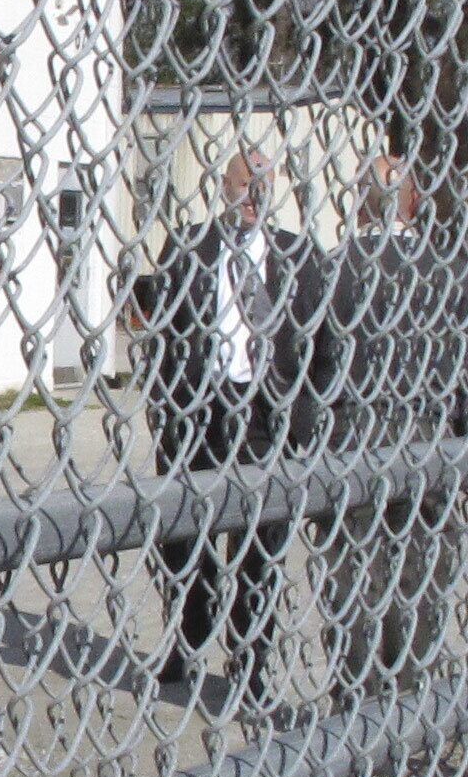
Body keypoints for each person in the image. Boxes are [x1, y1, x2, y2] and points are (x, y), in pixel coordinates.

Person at [129, 149, 327, 710]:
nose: (255, 198)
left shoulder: (297, 255)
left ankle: (251, 659)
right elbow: (163, 329)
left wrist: (302, 417)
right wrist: (166, 401)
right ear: (223, 187)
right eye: (246, 186)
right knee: (185, 538)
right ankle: (188, 637)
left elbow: (318, 344)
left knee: (259, 547)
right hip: (200, 409)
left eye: (265, 186)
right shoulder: (191, 247)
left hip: (263, 412)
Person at [311, 152, 468, 697]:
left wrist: (318, 429)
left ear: (360, 204)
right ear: (414, 203)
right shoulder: (455, 270)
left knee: (354, 574)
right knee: (421, 572)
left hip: (355, 434)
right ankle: (410, 691)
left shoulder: (334, 268)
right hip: (428, 435)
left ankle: (356, 697)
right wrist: (464, 435)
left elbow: (316, 363)